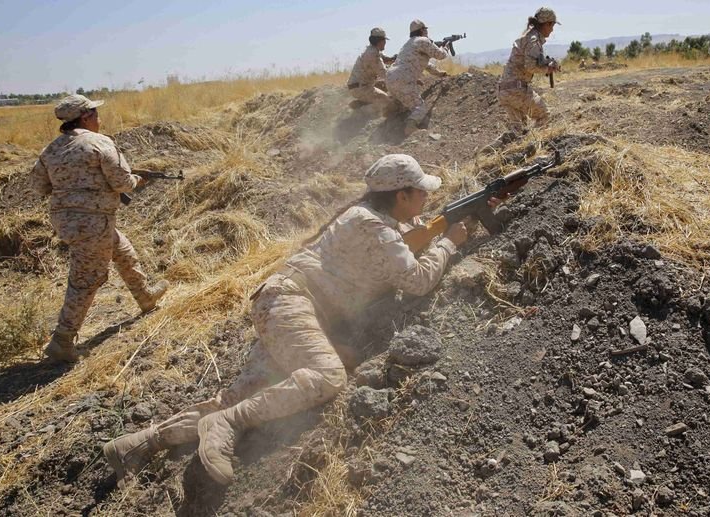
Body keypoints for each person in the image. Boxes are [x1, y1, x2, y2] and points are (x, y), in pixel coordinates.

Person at [103, 154, 490, 488]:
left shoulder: (367, 217)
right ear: (401, 195)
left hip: (281, 303)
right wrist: (450, 242)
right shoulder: (376, 227)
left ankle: (138, 444)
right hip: (291, 304)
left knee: (243, 393)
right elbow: (417, 281)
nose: (427, 196)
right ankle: (225, 426)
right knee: (327, 376)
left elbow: (402, 243)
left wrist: (433, 231)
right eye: (420, 191)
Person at [30, 94, 169, 363]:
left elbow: (39, 187)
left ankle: (146, 297)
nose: (99, 117)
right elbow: (122, 183)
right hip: (92, 221)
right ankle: (62, 341)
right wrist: (138, 181)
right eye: (95, 113)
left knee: (122, 250)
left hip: (68, 221)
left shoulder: (50, 150)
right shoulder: (99, 142)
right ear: (85, 117)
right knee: (87, 278)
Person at [498, 7, 561, 129]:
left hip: (505, 89)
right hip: (516, 90)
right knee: (544, 115)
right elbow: (530, 66)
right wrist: (547, 69)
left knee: (517, 131)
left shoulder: (528, 36)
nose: (552, 30)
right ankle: (535, 145)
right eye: (552, 25)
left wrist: (546, 65)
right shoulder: (533, 39)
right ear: (546, 24)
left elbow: (531, 61)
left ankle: (492, 149)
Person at [386, 20, 450, 136]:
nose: (427, 32)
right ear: (421, 30)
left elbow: (426, 65)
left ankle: (392, 120)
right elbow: (440, 56)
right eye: (426, 29)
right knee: (420, 107)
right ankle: (410, 128)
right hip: (403, 78)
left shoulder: (408, 44)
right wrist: (446, 48)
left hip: (390, 77)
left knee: (406, 105)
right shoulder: (423, 41)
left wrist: (439, 73)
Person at [347, 27, 394, 113]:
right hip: (361, 88)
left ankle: (363, 102)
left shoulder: (372, 50)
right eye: (384, 40)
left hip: (359, 85)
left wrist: (393, 58)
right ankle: (361, 111)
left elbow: (384, 58)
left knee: (382, 86)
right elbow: (385, 74)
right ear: (379, 41)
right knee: (387, 103)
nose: (385, 43)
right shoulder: (373, 55)